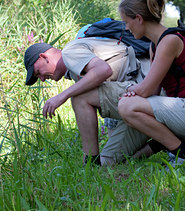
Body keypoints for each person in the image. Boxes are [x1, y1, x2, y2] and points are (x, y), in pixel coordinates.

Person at [117, 0, 185, 169]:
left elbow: (146, 90)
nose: (126, 28)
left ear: (139, 18)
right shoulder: (155, 45)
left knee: (127, 106)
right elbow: (155, 92)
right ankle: (180, 151)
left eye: (127, 22)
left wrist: (127, 93)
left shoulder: (170, 40)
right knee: (131, 105)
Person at [24, 32, 154, 166]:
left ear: (44, 57)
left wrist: (61, 96)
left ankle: (90, 161)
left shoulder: (70, 52)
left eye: (38, 72)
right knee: (108, 161)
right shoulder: (74, 70)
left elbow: (103, 70)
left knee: (80, 98)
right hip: (136, 104)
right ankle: (161, 143)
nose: (42, 79)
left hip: (149, 89)